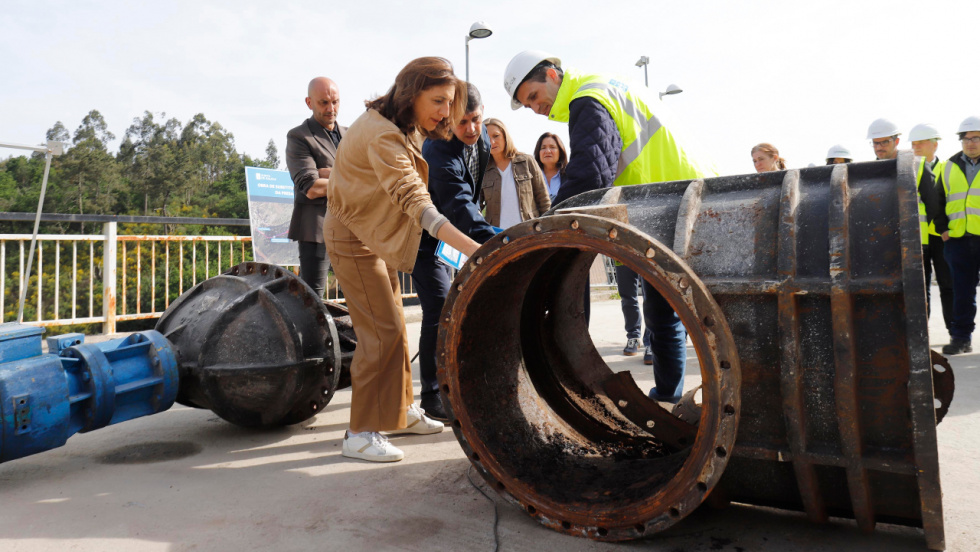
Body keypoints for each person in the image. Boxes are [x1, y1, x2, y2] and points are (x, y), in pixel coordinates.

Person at [504, 50, 717, 403]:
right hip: (691, 196)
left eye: (533, 96)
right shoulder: (608, 86)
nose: (534, 107)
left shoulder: (587, 98)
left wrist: (549, 225)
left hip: (675, 204)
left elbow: (591, 174)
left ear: (553, 75)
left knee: (675, 315)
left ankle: (670, 397)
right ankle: (667, 396)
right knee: (668, 311)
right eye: (527, 104)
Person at [325, 57, 480, 462]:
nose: (446, 112)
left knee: (395, 328)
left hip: (371, 234)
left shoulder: (398, 124)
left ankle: (400, 412)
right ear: (412, 93)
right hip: (352, 237)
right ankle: (359, 432)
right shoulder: (382, 135)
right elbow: (416, 201)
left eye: (450, 102)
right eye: (439, 100)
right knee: (382, 332)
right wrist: (477, 252)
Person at [413, 83, 498, 421]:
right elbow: (460, 206)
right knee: (439, 306)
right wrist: (499, 241)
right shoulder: (438, 149)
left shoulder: (485, 138)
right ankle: (431, 396)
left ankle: (458, 380)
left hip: (454, 238)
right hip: (422, 237)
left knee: (462, 305)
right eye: (461, 123)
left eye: (476, 120)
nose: (471, 130)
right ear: (448, 120)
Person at [285, 77, 347, 298]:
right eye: (324, 103)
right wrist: (350, 178)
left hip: (354, 227)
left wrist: (331, 174)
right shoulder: (299, 136)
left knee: (360, 297)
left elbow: (371, 177)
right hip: (316, 228)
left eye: (336, 102)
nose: (331, 109)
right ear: (309, 102)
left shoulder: (352, 135)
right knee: (312, 298)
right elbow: (311, 187)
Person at [939, 116, 980, 355]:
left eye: (975, 138)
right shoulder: (948, 166)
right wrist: (943, 230)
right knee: (962, 292)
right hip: (958, 240)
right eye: (965, 138)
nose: (970, 142)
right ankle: (961, 338)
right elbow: (937, 201)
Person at [910, 123, 954, 335]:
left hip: (942, 236)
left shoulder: (946, 168)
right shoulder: (908, 169)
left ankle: (954, 330)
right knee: (922, 286)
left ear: (934, 145)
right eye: (913, 144)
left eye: (921, 143)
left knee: (947, 284)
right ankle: (922, 335)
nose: (916, 147)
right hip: (918, 238)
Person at [481, 117, 551, 228]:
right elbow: (475, 208)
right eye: (486, 137)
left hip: (529, 231)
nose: (492, 142)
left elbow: (543, 200)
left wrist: (545, 230)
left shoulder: (527, 161)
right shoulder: (483, 171)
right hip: (497, 236)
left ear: (505, 136)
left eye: (496, 136)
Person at [534, 132, 568, 202]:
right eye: (543, 148)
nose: (548, 151)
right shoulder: (532, 177)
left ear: (560, 152)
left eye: (552, 147)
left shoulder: (570, 175)